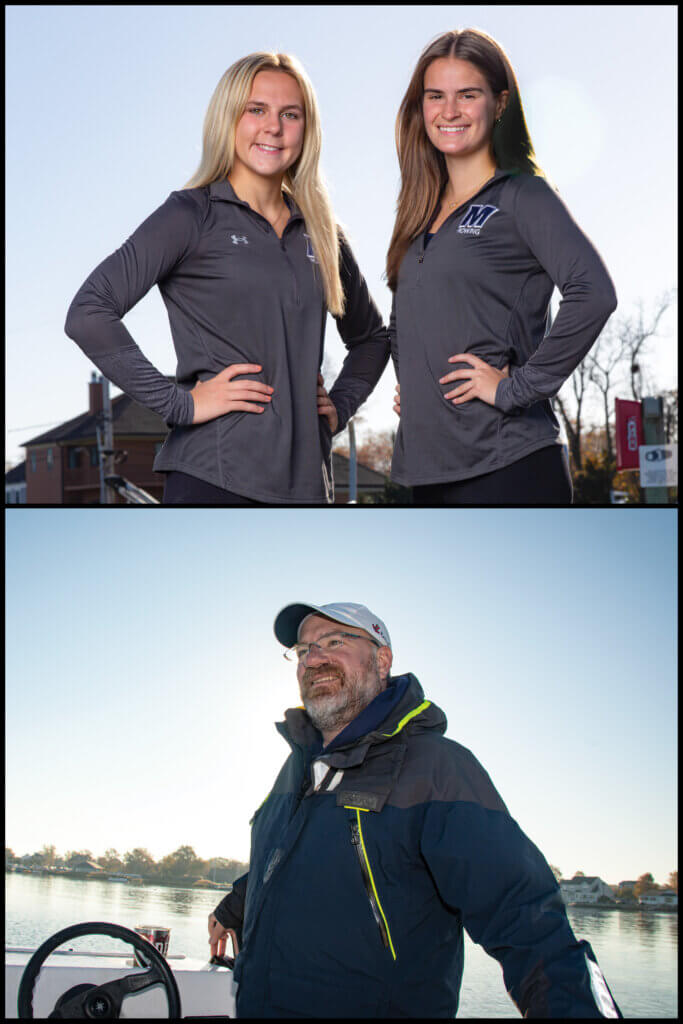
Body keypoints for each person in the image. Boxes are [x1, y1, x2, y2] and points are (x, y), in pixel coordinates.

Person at [207, 601, 622, 1018]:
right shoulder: (299, 766)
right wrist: (234, 907)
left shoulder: (436, 768)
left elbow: (527, 920)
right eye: (303, 650)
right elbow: (294, 857)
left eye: (334, 641)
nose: (314, 658)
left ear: (382, 660)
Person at [65, 53, 389, 505]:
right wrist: (181, 403)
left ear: (306, 128)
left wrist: (340, 408)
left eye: (289, 114)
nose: (272, 127)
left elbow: (372, 338)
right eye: (256, 109)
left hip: (310, 488)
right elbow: (88, 312)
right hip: (212, 480)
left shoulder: (323, 232)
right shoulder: (190, 214)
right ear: (228, 118)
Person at [386, 29, 618, 505]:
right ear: (420, 106)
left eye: (467, 95)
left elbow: (593, 292)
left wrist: (516, 389)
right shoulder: (418, 214)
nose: (449, 111)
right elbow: (411, 321)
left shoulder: (523, 195)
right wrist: (420, 387)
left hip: (509, 464)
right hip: (429, 472)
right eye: (436, 96)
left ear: (499, 103)